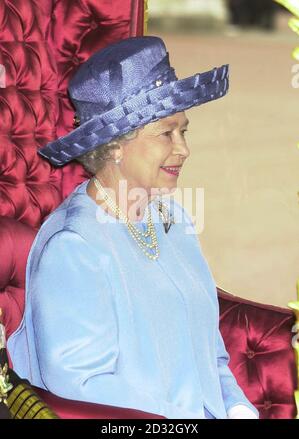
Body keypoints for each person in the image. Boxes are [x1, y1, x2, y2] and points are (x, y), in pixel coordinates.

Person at [7, 36, 259, 419]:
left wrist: (237, 407)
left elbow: (210, 352)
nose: (183, 149)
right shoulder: (73, 246)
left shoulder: (174, 222)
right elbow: (82, 385)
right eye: (166, 134)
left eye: (184, 131)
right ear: (114, 147)